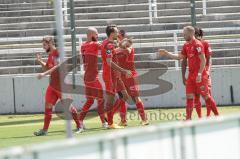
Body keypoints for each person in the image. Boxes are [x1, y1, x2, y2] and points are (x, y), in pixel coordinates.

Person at [155, 26, 219, 120]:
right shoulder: (186, 45)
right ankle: (188, 119)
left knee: (206, 96)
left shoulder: (197, 44)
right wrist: (167, 53)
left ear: (191, 33)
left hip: (200, 75)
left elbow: (203, 60)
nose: (183, 35)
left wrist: (200, 74)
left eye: (184, 34)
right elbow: (180, 57)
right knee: (189, 97)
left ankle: (217, 116)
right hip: (191, 75)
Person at [34, 36, 80, 136]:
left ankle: (79, 126)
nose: (43, 47)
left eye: (44, 45)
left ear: (50, 43)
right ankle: (44, 130)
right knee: (48, 105)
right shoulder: (51, 55)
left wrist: (44, 74)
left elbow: (57, 67)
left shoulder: (57, 53)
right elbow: (47, 68)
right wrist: (40, 62)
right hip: (52, 85)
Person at [113, 30, 149, 126]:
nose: (116, 36)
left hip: (130, 75)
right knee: (122, 98)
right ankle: (123, 121)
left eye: (118, 34)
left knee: (135, 98)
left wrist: (120, 46)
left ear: (121, 35)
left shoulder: (128, 46)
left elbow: (127, 50)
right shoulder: (116, 47)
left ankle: (144, 119)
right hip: (121, 76)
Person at [77, 27, 108, 133]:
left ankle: (80, 121)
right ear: (91, 35)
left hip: (87, 77)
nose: (98, 35)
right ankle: (104, 122)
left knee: (90, 100)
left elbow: (82, 60)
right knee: (101, 99)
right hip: (92, 77)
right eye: (96, 34)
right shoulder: (94, 44)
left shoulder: (83, 46)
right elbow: (105, 47)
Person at [101, 25, 132, 129]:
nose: (118, 34)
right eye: (116, 32)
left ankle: (108, 117)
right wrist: (123, 70)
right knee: (110, 99)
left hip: (115, 75)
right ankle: (110, 123)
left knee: (125, 96)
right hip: (110, 75)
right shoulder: (109, 44)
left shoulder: (109, 43)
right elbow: (109, 62)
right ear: (112, 33)